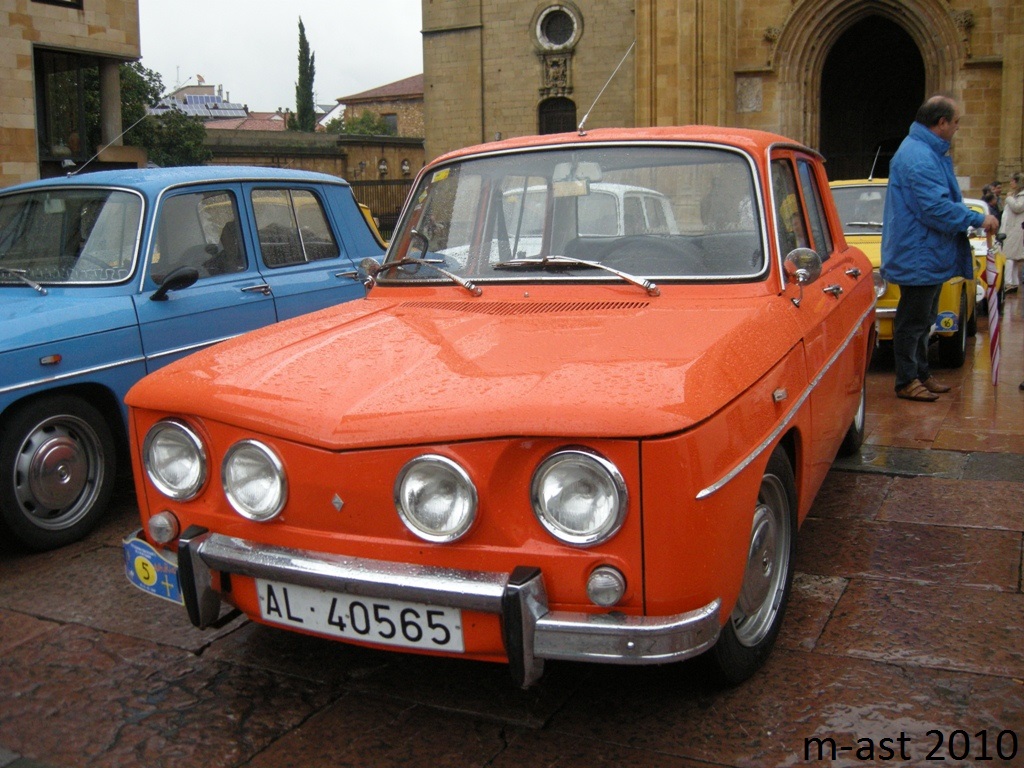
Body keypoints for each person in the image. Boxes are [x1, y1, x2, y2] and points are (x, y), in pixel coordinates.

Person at [881, 94, 1000, 402]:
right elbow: (935, 209)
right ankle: (907, 380)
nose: (958, 128)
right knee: (913, 321)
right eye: (956, 122)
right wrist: (977, 218)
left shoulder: (925, 152)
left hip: (925, 251)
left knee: (924, 319)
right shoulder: (919, 157)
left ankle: (919, 373)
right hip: (918, 252)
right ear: (941, 122)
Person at [998, 171, 1023, 292]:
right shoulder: (1015, 195)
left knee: (1009, 256)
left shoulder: (1022, 196)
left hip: (1016, 230)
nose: (1010, 183)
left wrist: (1008, 198)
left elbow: (1018, 207)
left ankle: (1008, 282)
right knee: (1012, 257)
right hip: (1011, 229)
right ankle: (1013, 282)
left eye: (1012, 181)